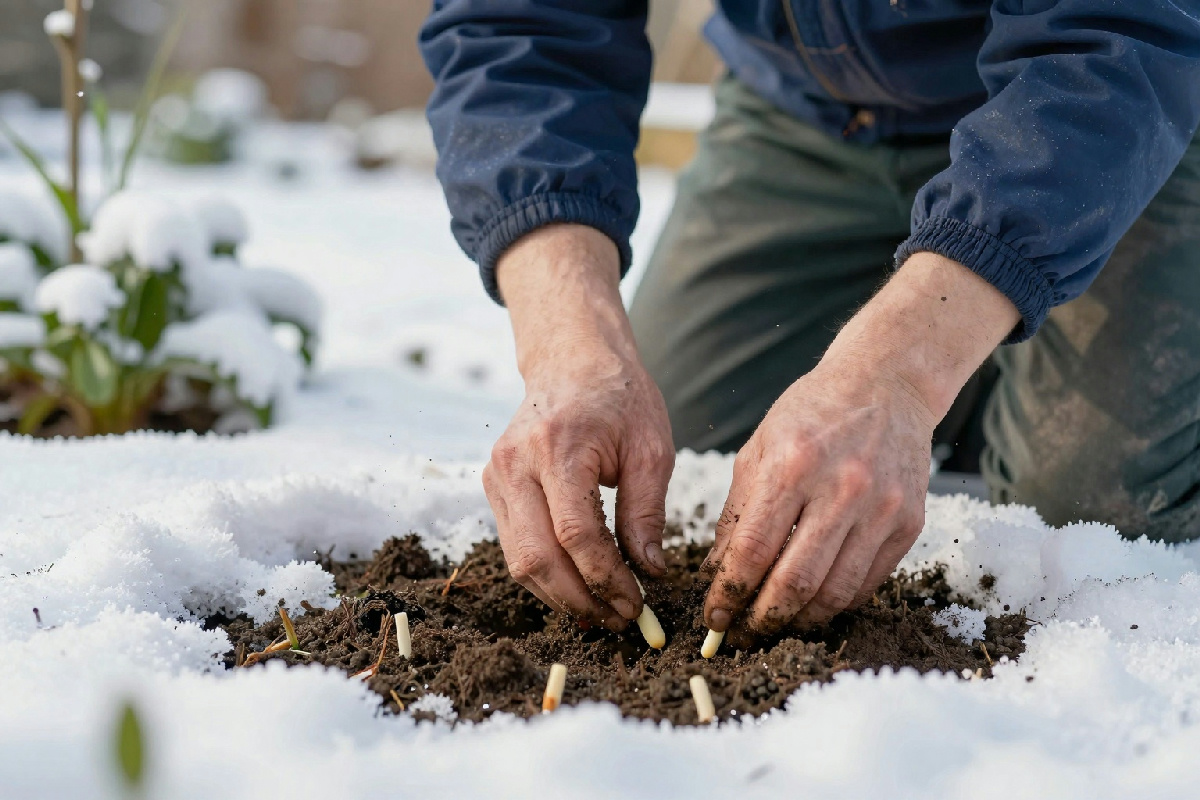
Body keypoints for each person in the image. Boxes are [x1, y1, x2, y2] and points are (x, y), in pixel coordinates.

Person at [419, 2, 1200, 639]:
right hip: (809, 113)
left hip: (1111, 102)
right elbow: (517, 26)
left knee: (1088, 520)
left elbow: (1117, 35)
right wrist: (572, 349)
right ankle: (978, 355)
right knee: (683, 446)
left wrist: (894, 375)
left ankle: (981, 347)